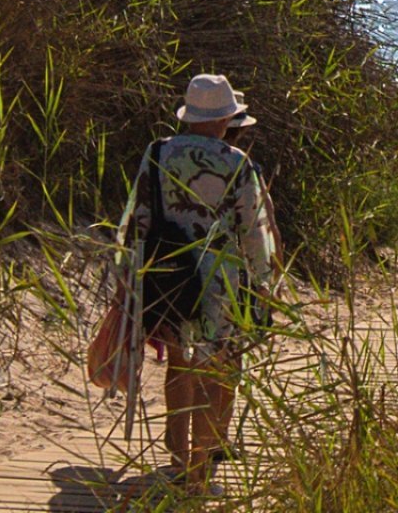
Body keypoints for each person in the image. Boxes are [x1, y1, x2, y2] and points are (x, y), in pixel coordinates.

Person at [120, 75, 280, 493]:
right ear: (225, 120)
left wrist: (129, 276)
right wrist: (264, 285)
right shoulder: (236, 163)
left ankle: (176, 460)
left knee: (178, 363)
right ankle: (200, 468)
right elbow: (254, 233)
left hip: (168, 275)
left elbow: (137, 218)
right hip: (220, 283)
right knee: (216, 370)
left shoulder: (157, 153)